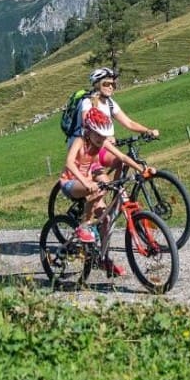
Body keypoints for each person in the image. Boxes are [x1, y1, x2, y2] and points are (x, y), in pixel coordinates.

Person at [60, 108, 154, 275]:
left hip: (89, 180)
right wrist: (86, 182)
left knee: (107, 219)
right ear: (89, 130)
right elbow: (69, 163)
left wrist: (142, 169)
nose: (101, 139)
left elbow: (123, 157)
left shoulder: (101, 141)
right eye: (98, 135)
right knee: (97, 190)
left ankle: (103, 259)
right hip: (71, 182)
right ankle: (83, 227)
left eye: (103, 136)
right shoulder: (80, 141)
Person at [74, 66, 159, 141]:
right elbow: (87, 126)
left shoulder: (110, 103)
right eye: (107, 84)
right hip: (85, 147)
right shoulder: (88, 102)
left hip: (103, 144)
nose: (111, 87)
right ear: (96, 85)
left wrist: (148, 131)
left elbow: (129, 123)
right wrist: (106, 137)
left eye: (113, 84)